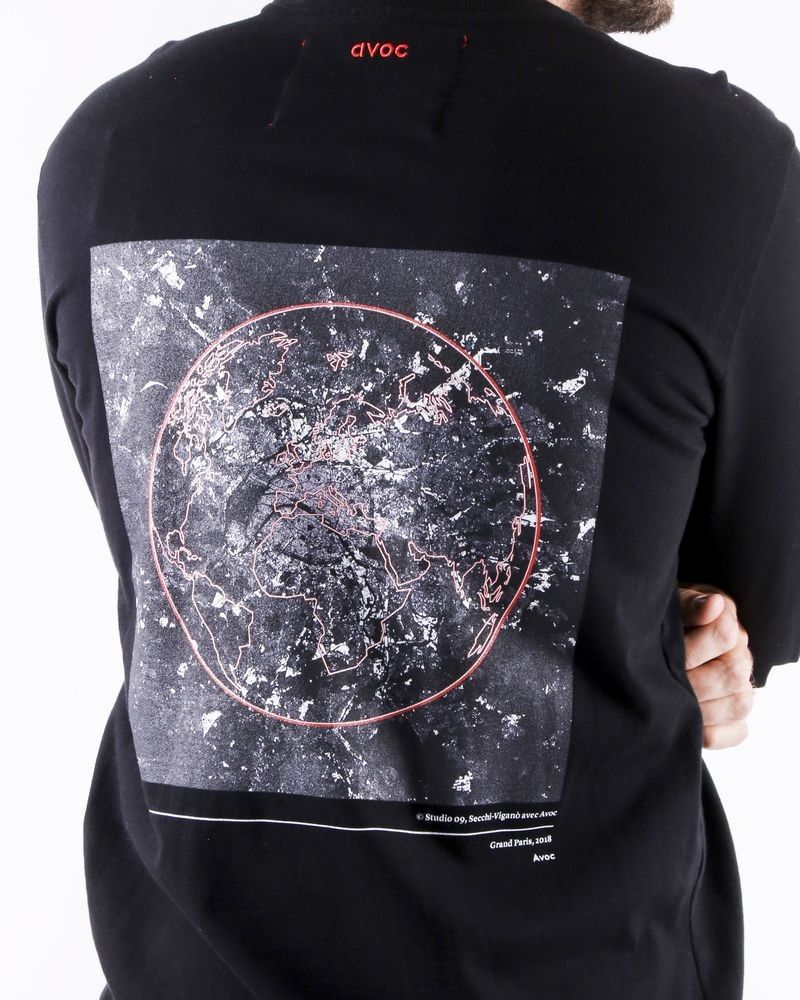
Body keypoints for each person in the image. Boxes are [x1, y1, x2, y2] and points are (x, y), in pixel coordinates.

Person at [36, 1, 799, 998]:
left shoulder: (109, 144)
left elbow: (159, 548)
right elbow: (759, 599)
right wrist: (653, 623)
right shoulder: (713, 166)